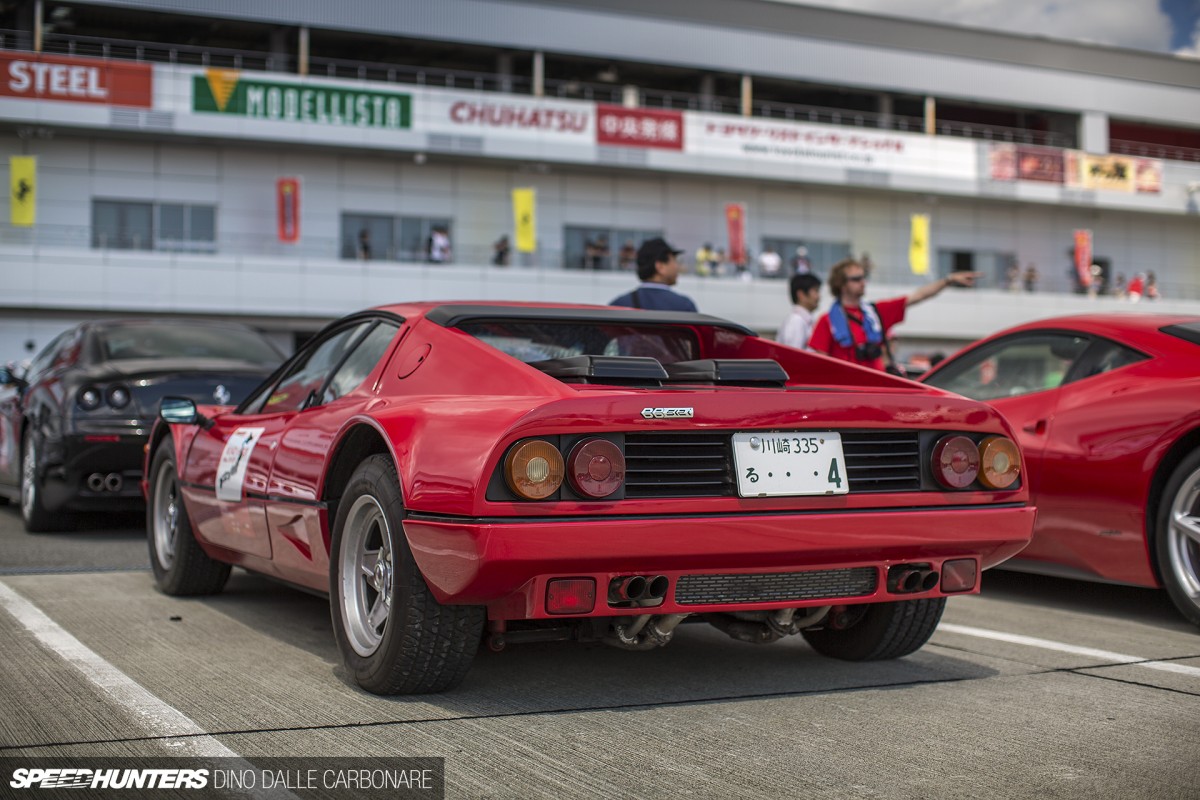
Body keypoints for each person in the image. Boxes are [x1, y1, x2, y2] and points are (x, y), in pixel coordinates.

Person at [809, 258, 979, 371]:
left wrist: (947, 280)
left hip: (877, 394)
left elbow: (917, 296)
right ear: (841, 284)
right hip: (846, 396)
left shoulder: (875, 313)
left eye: (864, 277)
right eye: (856, 279)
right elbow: (820, 366)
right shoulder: (827, 321)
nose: (863, 282)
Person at [610, 237, 697, 312]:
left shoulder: (618, 305)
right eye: (674, 261)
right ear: (660, 267)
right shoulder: (684, 306)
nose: (677, 267)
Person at [776, 273, 822, 350]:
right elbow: (793, 356)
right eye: (816, 291)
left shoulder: (804, 320)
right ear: (801, 295)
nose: (819, 296)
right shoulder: (796, 321)